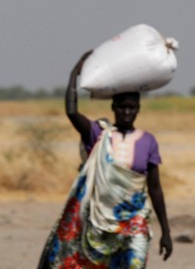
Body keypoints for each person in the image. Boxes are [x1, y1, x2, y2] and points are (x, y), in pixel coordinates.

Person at [38, 51, 172, 268]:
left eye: (132, 107)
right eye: (122, 107)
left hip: (135, 221)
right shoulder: (99, 135)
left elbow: (155, 188)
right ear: (113, 108)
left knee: (135, 264)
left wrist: (166, 231)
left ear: (138, 109)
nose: (127, 112)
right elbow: (72, 112)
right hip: (99, 221)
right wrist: (75, 74)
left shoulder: (148, 141)